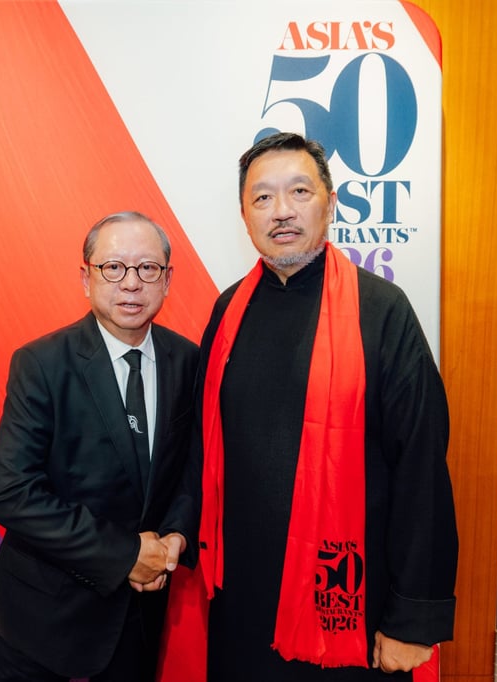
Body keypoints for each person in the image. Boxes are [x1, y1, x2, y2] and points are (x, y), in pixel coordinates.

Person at [160, 132, 458, 681]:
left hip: (348, 610)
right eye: (263, 198)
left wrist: (413, 618)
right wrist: (177, 529)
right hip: (243, 601)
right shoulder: (229, 311)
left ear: (331, 201)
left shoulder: (381, 311)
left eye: (299, 191)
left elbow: (422, 468)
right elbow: (202, 448)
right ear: (244, 215)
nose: (282, 212)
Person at [0, 211, 198, 681]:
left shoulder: (188, 361)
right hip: (44, 624)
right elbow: (11, 493)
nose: (130, 284)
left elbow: (189, 470)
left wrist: (176, 538)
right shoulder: (41, 363)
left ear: (167, 280)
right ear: (86, 278)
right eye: (113, 267)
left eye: (147, 269)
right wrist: (125, 555)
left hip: (138, 622)